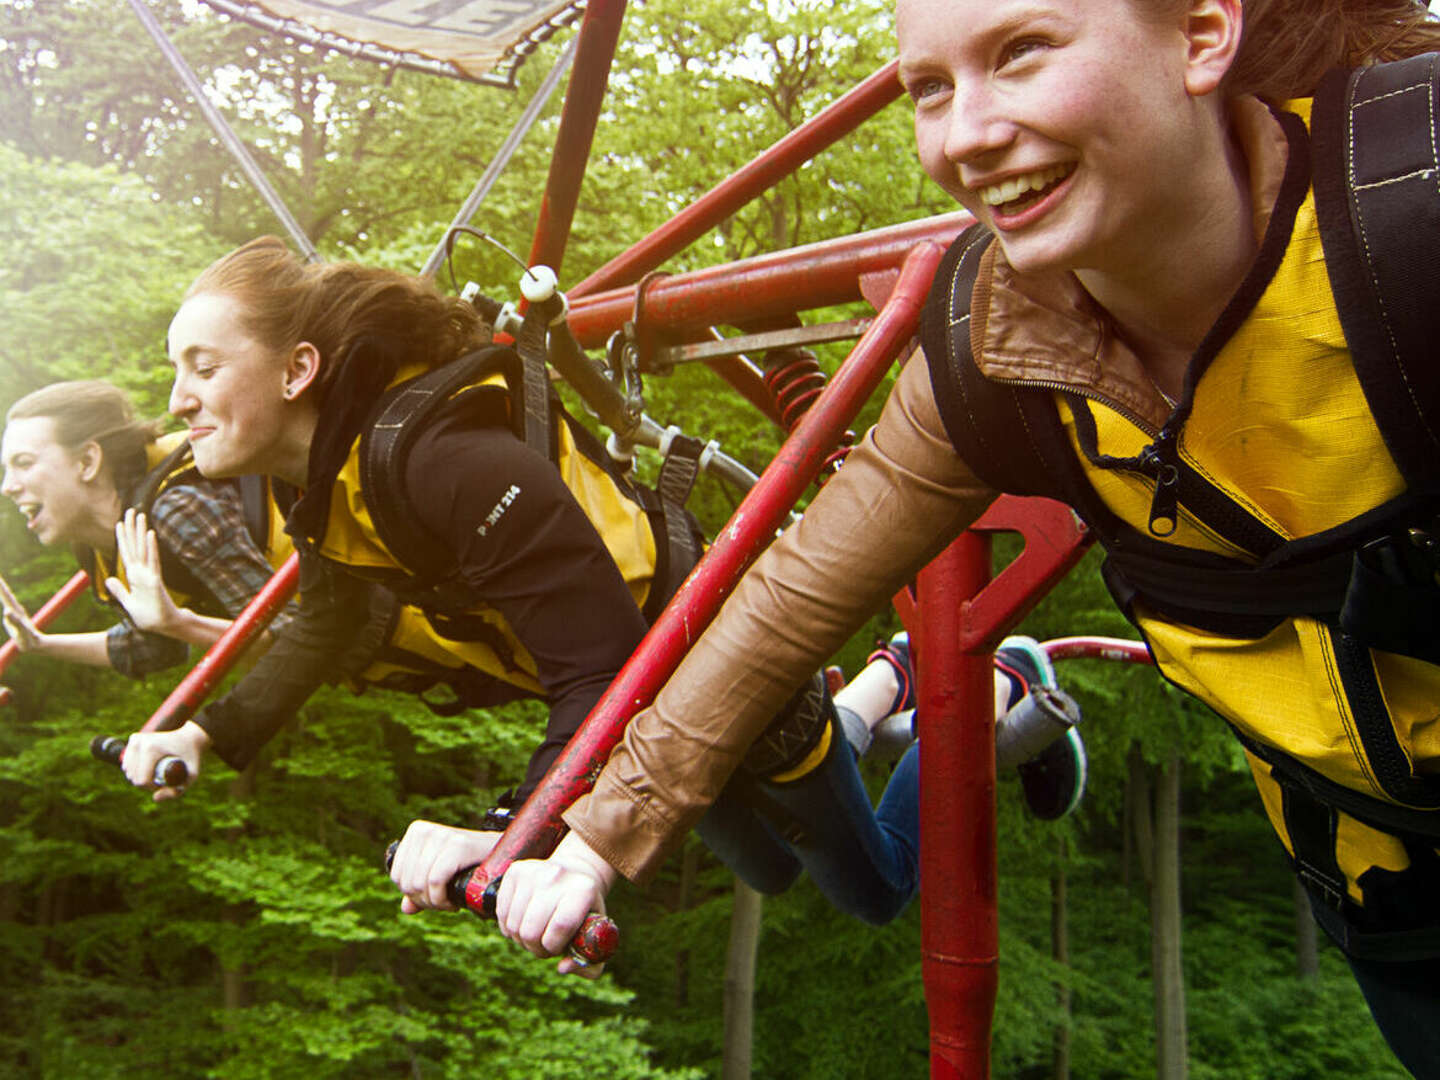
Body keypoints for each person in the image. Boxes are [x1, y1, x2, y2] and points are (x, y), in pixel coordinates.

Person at [492, 1, 1440, 1075]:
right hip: (1381, 891)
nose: (966, 135)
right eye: (929, 90)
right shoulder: (991, 348)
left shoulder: (1408, 225)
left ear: (1202, 34)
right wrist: (596, 834)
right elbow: (792, 594)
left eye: (1023, 53)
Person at [122, 238, 1087, 921]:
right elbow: (323, 625)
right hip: (634, 715)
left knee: (874, 890)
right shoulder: (325, 491)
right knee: (769, 872)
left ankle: (997, 694)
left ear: (296, 370)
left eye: (203, 365)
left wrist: (513, 835)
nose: (177, 399)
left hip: (720, 682)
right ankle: (891, 686)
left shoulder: (442, 464)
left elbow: (595, 667)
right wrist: (213, 731)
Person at [0, 380, 291, 677]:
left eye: (23, 463)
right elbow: (156, 647)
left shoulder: (179, 513)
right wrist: (39, 643)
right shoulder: (99, 547)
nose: (6, 487)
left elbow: (300, 640)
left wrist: (176, 623)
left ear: (87, 461)